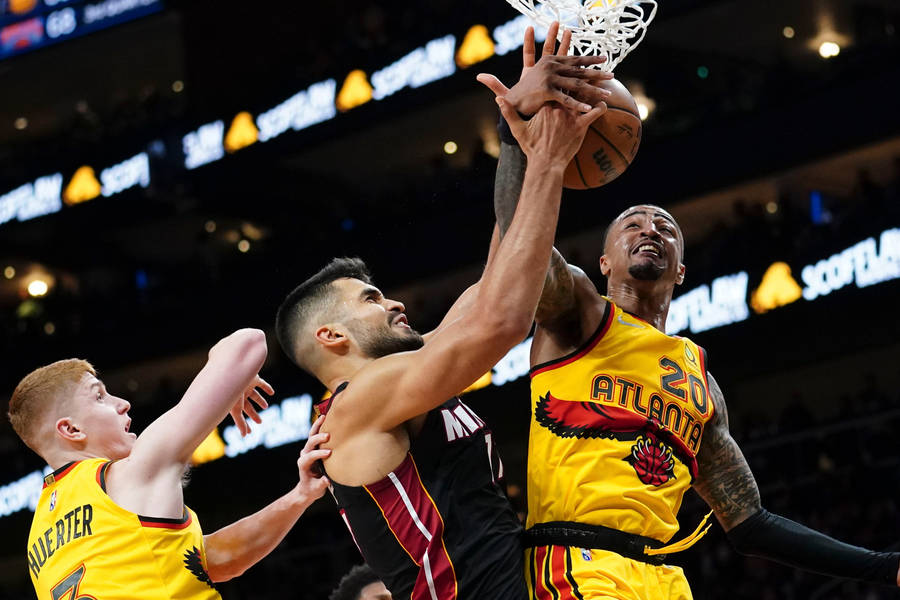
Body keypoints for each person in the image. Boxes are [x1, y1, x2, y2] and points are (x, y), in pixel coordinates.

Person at [486, 51, 900, 598]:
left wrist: (884, 566)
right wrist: (515, 129)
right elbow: (521, 238)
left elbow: (750, 523)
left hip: (662, 578)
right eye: (632, 224)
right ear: (604, 261)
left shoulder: (699, 383)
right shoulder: (579, 313)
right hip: (575, 560)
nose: (651, 229)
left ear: (681, 267)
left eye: (666, 226)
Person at [275, 24, 609, 600]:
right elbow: (504, 322)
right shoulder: (354, 408)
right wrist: (549, 163)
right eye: (371, 299)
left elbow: (500, 278)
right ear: (330, 336)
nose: (395, 302)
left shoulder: (411, 373)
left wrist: (517, 131)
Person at [7, 328, 331, 600]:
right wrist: (235, 379)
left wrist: (299, 496)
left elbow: (213, 561)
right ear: (71, 430)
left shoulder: (38, 539)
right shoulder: (128, 474)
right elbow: (248, 343)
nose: (123, 403)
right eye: (100, 396)